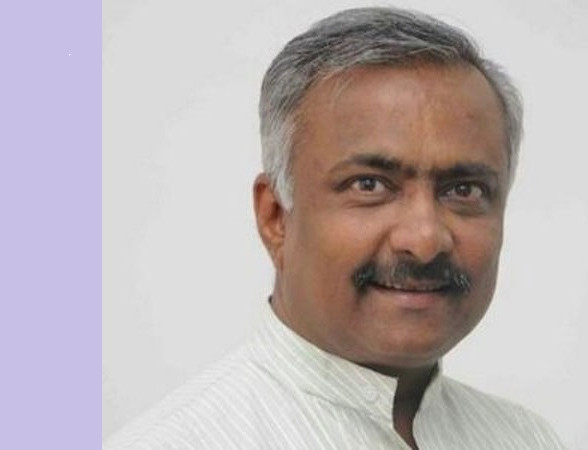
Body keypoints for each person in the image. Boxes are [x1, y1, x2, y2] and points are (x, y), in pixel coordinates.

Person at [104, 7, 564, 449]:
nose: (425, 240)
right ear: (275, 217)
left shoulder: (526, 440)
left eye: (463, 190)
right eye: (369, 185)